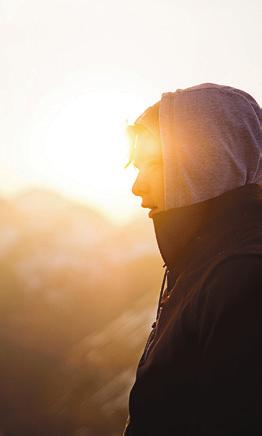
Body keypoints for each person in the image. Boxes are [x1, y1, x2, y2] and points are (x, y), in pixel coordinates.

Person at [123, 83, 262, 435]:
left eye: (153, 164)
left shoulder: (240, 277)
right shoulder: (205, 264)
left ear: (209, 162)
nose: (137, 186)